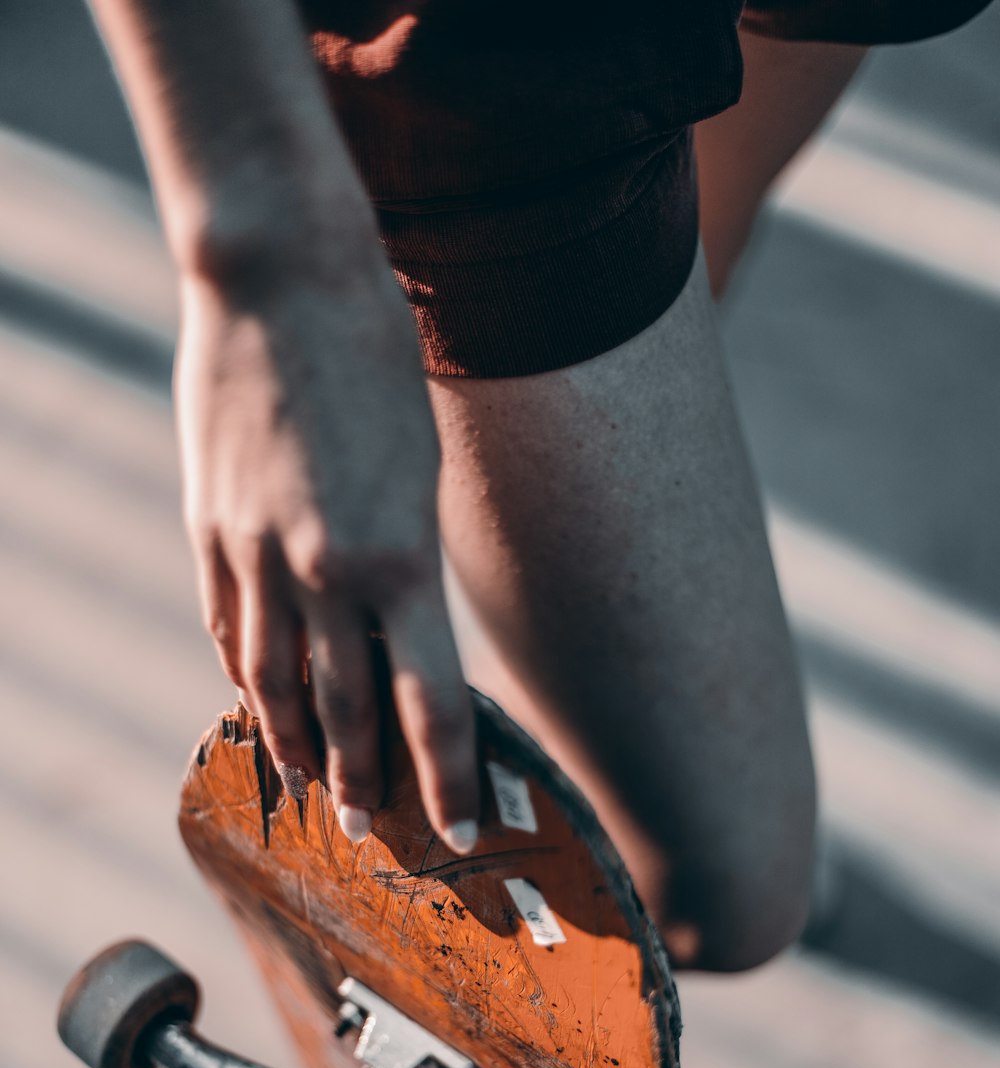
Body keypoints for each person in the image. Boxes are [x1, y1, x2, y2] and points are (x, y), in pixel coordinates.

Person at [88, 0, 991, 972]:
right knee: (726, 896)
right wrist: (258, 264)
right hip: (501, 44)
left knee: (680, 286)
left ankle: (540, 631)